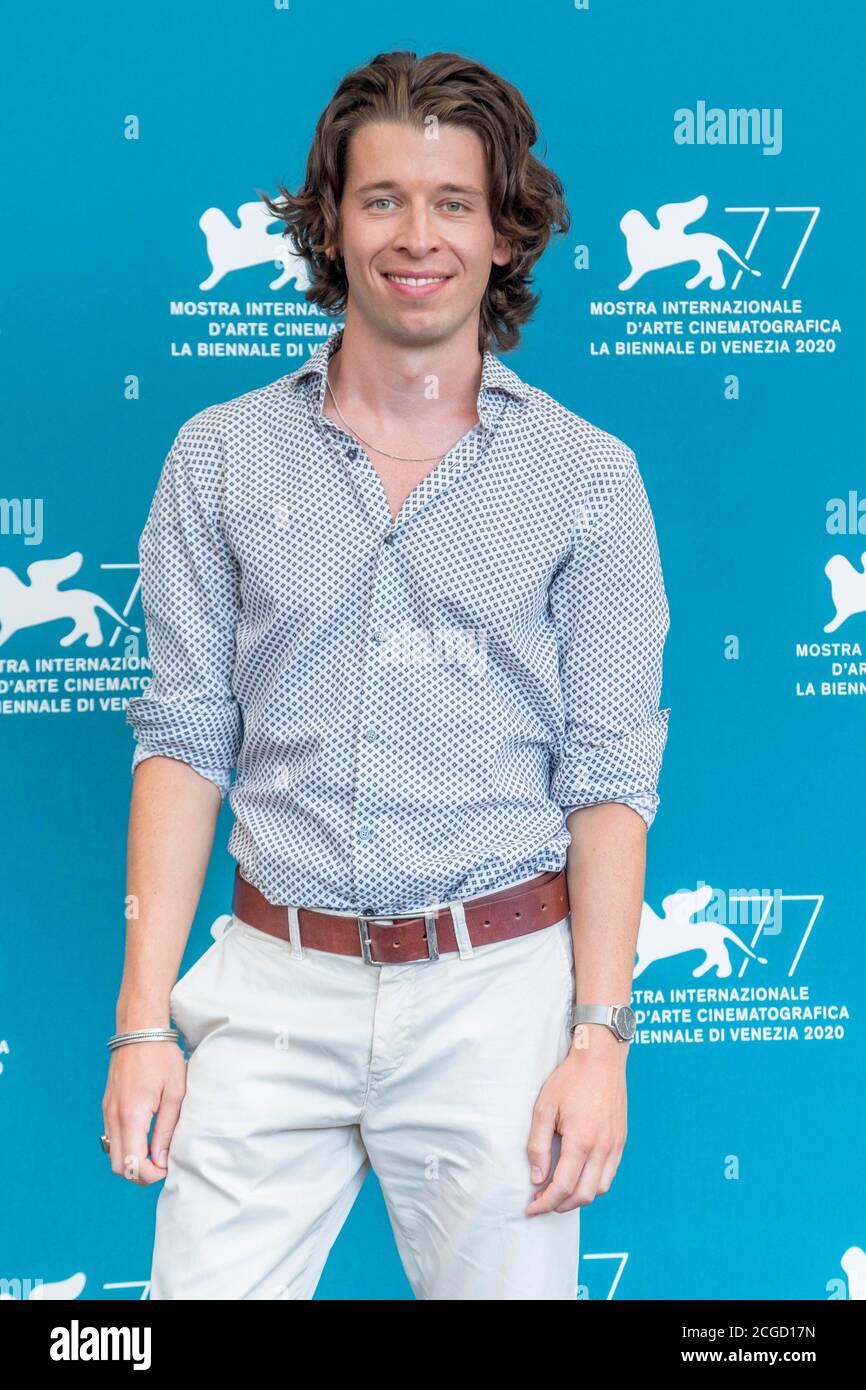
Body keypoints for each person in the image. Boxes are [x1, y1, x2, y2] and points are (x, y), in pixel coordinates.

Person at [103, 48, 672, 1301]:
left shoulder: (590, 480)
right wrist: (142, 1023)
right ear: (331, 225)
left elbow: (608, 780)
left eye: (453, 202)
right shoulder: (216, 460)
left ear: (506, 233)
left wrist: (598, 1038)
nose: (417, 237)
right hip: (270, 985)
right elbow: (184, 743)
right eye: (381, 200)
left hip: (499, 1000)